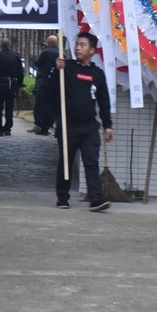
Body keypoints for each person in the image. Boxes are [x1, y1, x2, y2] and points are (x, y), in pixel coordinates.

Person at [52, 31, 114, 212]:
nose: (78, 48)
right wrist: (56, 70)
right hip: (68, 127)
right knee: (66, 162)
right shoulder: (66, 67)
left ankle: (96, 199)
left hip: (89, 128)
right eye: (77, 44)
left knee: (91, 162)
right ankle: (62, 197)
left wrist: (108, 125)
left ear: (92, 50)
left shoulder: (97, 74)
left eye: (83, 45)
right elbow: (50, 89)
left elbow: (104, 101)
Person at [0, 38, 23, 137]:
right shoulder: (16, 56)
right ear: (9, 45)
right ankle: (7, 128)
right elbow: (20, 72)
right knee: (9, 107)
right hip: (12, 84)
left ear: (1, 45)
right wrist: (19, 85)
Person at [30, 35, 59, 135]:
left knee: (43, 105)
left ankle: (44, 127)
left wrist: (43, 52)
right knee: (54, 106)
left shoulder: (46, 52)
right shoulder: (61, 53)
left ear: (49, 43)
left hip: (45, 82)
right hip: (56, 83)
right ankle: (51, 125)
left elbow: (37, 62)